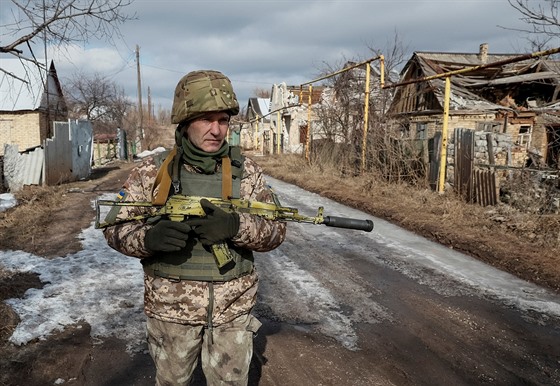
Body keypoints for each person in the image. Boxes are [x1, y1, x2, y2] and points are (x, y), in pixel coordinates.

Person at [103, 70, 286, 385]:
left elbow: (277, 229)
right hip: (171, 314)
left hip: (233, 310)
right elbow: (114, 228)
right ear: (186, 122)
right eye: (206, 119)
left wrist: (235, 226)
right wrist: (149, 238)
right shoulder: (152, 172)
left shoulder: (247, 171)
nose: (216, 130)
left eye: (223, 120)